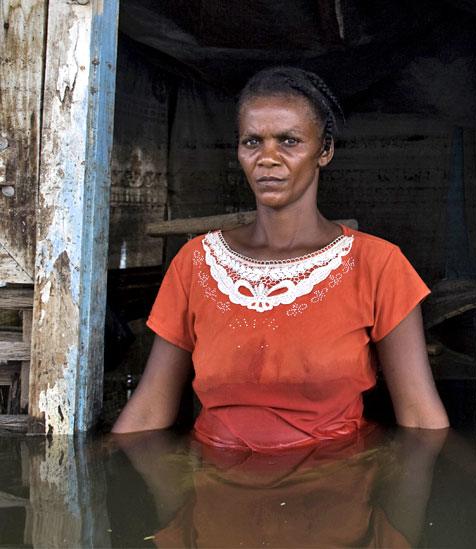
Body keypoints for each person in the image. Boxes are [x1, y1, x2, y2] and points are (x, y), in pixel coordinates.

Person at [112, 66, 449, 450]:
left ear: (325, 151)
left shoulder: (377, 265)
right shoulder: (196, 263)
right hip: (213, 490)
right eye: (252, 142)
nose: (267, 158)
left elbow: (421, 419)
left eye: (288, 141)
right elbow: (151, 407)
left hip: (336, 484)